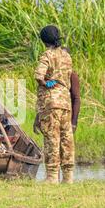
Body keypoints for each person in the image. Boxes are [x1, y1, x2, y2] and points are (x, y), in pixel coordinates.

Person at [33, 25, 76, 184]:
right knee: (67, 138)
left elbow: (38, 75)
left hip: (51, 102)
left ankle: (52, 176)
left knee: (52, 138)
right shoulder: (67, 56)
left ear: (44, 40)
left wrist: (45, 83)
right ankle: (68, 176)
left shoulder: (47, 55)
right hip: (65, 102)